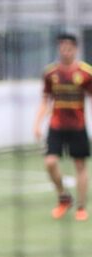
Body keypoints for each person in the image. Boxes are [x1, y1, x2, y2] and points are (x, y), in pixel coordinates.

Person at [33, 33, 92, 221]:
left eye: (69, 48)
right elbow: (45, 100)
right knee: (50, 162)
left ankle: (81, 207)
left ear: (75, 49)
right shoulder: (50, 73)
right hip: (56, 126)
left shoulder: (86, 73)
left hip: (77, 127)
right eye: (62, 47)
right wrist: (37, 123)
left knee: (80, 165)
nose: (65, 51)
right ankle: (63, 197)